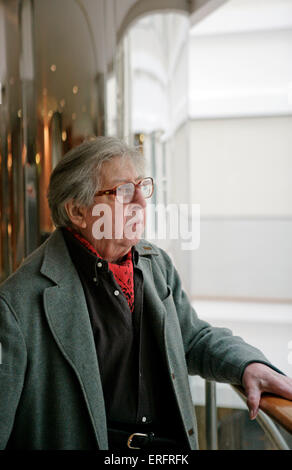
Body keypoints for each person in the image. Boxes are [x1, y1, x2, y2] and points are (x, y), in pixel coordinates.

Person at [0, 136, 291, 450]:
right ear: (78, 211)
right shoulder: (17, 304)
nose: (141, 201)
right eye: (124, 191)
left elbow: (191, 338)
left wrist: (248, 365)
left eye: (142, 186)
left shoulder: (154, 263)